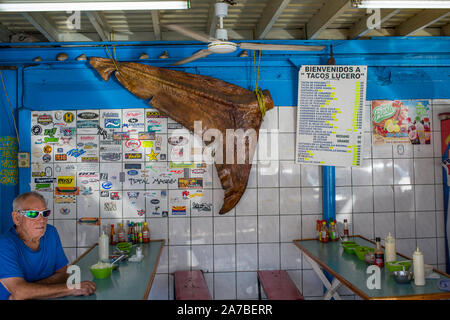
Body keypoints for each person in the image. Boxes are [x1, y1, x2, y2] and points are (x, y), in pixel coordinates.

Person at [0, 191, 96, 300]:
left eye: (45, 213)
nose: (41, 220)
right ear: (17, 218)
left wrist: (31, 290)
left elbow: (64, 274)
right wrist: (72, 288)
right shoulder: (4, 244)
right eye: (33, 214)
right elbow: (20, 292)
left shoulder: (50, 233)